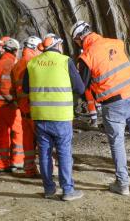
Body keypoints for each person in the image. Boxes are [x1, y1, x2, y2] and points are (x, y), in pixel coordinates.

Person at [72, 21, 130, 195]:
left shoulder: (86, 56)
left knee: (117, 142)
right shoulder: (116, 43)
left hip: (113, 104)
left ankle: (122, 184)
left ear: (79, 38)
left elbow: (81, 87)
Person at [22, 35, 84, 201]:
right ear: (57, 45)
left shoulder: (32, 63)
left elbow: (25, 88)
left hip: (40, 117)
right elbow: (80, 87)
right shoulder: (65, 61)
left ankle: (49, 189)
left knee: (44, 153)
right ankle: (68, 190)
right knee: (64, 152)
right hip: (61, 117)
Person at [0, 38, 24, 173]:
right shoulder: (10, 64)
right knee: (18, 131)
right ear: (15, 50)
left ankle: (2, 163)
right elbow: (5, 88)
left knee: (3, 134)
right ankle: (17, 161)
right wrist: (14, 101)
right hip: (8, 105)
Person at [11, 35, 42, 177]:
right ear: (34, 48)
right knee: (43, 140)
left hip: (23, 110)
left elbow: (13, 89)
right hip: (35, 109)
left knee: (28, 142)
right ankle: (47, 169)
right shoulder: (34, 63)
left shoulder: (16, 65)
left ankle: (29, 169)